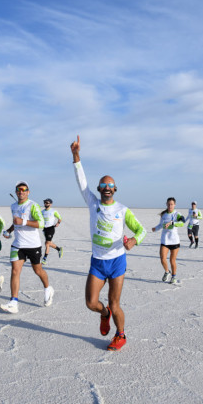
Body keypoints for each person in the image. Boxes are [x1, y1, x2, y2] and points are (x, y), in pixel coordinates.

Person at [71, 135, 146, 351]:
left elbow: (141, 230)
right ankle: (105, 315)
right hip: (97, 262)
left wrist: (134, 240)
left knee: (115, 302)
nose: (106, 187)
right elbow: (81, 182)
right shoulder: (92, 202)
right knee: (91, 303)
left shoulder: (122, 210)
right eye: (103, 184)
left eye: (110, 185)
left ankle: (120, 335)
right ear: (98, 188)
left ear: (115, 189)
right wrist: (76, 156)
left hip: (116, 262)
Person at [0, 181, 53, 314]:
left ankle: (48, 289)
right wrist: (9, 231)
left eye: (24, 189)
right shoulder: (13, 206)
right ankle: (13, 302)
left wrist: (22, 221)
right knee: (15, 271)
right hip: (18, 245)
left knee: (38, 270)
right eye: (19, 189)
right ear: (16, 192)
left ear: (28, 192)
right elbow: (15, 223)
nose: (21, 191)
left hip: (33, 245)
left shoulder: (32, 205)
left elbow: (41, 224)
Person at [152, 197, 185, 283]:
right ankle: (167, 272)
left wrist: (172, 223)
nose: (170, 206)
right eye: (169, 204)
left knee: (172, 260)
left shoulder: (177, 214)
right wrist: (155, 228)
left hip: (174, 241)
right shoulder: (164, 214)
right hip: (165, 240)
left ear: (174, 205)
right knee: (162, 258)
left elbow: (182, 223)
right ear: (166, 204)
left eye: (172, 204)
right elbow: (161, 225)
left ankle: (173, 277)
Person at [41, 198, 63, 264]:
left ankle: (44, 258)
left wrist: (58, 223)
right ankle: (59, 249)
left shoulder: (53, 211)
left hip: (51, 228)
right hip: (45, 229)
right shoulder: (42, 212)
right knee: (48, 243)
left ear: (50, 204)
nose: (45, 204)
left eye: (47, 203)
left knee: (47, 243)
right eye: (45, 202)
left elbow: (60, 218)